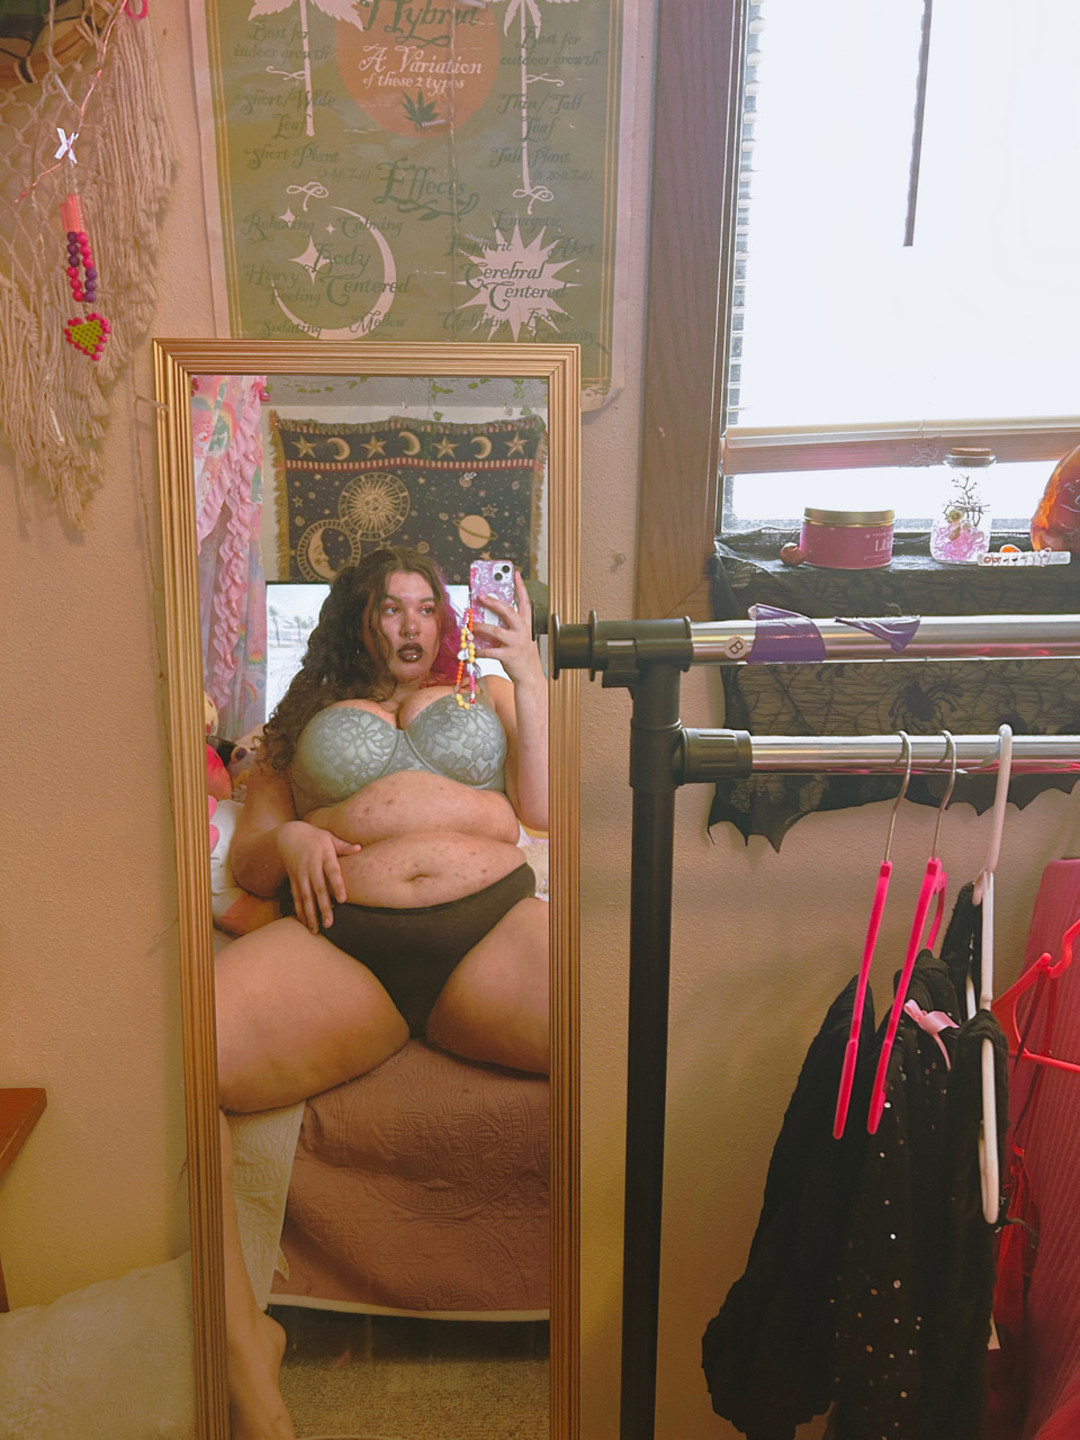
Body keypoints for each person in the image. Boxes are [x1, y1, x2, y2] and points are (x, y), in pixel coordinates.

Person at [215, 546, 549, 1439]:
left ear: (447, 618)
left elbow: (545, 807)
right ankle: (245, 1346)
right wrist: (289, 842)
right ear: (356, 619)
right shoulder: (301, 714)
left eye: (426, 608)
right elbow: (252, 854)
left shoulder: (489, 692)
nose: (412, 625)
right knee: (174, 1056)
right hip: (342, 946)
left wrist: (529, 673)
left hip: (490, 930)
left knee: (625, 1029)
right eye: (391, 608)